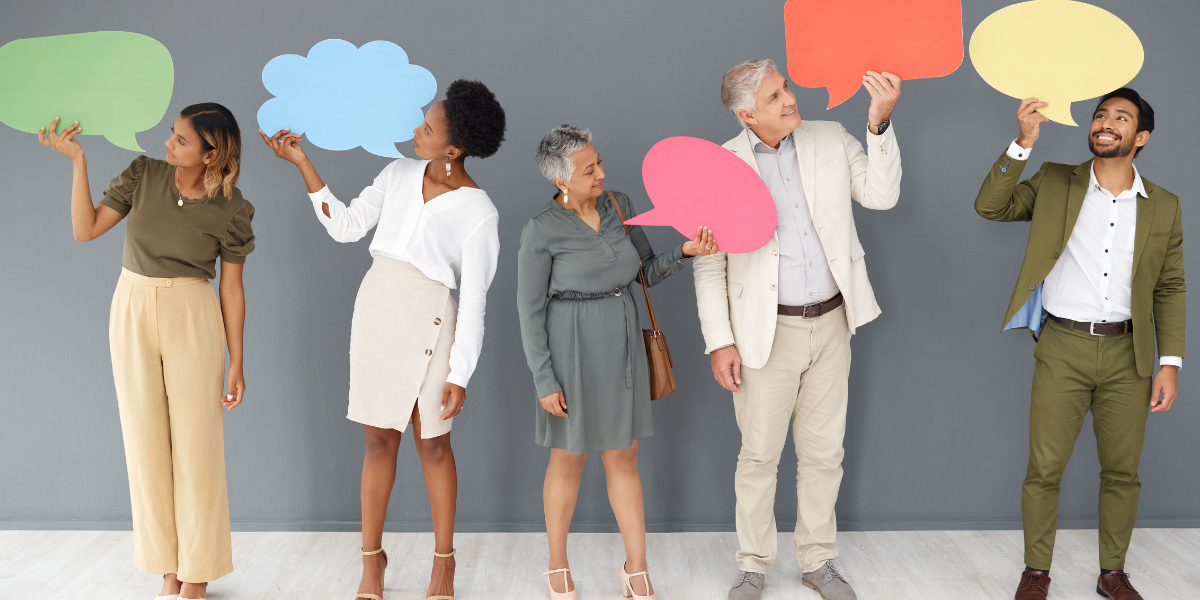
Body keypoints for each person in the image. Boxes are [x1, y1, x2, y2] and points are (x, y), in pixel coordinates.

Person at [260, 79, 506, 600]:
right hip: (377, 310)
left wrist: (460, 373)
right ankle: (371, 560)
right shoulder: (397, 173)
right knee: (377, 440)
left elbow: (477, 301)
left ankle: (444, 562)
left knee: (434, 444)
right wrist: (303, 164)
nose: (416, 130)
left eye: (428, 127)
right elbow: (346, 227)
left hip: (434, 322)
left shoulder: (479, 213)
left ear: (454, 147)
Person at [693, 60, 903, 600]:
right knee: (759, 454)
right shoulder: (720, 166)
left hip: (833, 321)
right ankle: (753, 564)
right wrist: (720, 340)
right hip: (764, 333)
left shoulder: (830, 137)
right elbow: (708, 261)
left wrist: (878, 123)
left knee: (823, 453)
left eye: (784, 86)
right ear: (746, 113)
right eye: (773, 96)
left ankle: (817, 560)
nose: (789, 98)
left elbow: (881, 196)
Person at [38, 104, 254, 600]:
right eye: (171, 135)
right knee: (145, 442)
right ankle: (167, 569)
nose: (168, 145)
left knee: (197, 446)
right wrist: (77, 163)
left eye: (180, 140)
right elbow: (85, 228)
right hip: (132, 306)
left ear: (211, 153)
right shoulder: (144, 174)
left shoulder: (231, 207)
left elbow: (232, 290)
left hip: (193, 312)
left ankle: (197, 572)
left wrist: (237, 360)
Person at [975, 89, 1183, 600]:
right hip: (1063, 347)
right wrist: (1023, 143)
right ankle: (1036, 572)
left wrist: (1169, 362)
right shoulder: (1053, 181)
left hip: (1128, 355)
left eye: (1121, 117)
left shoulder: (1165, 206)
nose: (1106, 123)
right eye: (1100, 115)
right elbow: (990, 206)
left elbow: (1170, 285)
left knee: (1122, 471)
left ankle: (1113, 573)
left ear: (1141, 137)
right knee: (1043, 469)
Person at [517, 125, 718, 600]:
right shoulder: (541, 229)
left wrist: (685, 252)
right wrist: (544, 379)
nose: (602, 173)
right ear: (562, 178)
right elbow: (529, 311)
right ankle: (557, 565)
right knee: (568, 458)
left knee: (624, 457)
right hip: (570, 349)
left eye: (600, 162)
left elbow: (646, 271)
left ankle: (638, 569)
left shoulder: (621, 206)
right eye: (590, 169)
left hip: (623, 343)